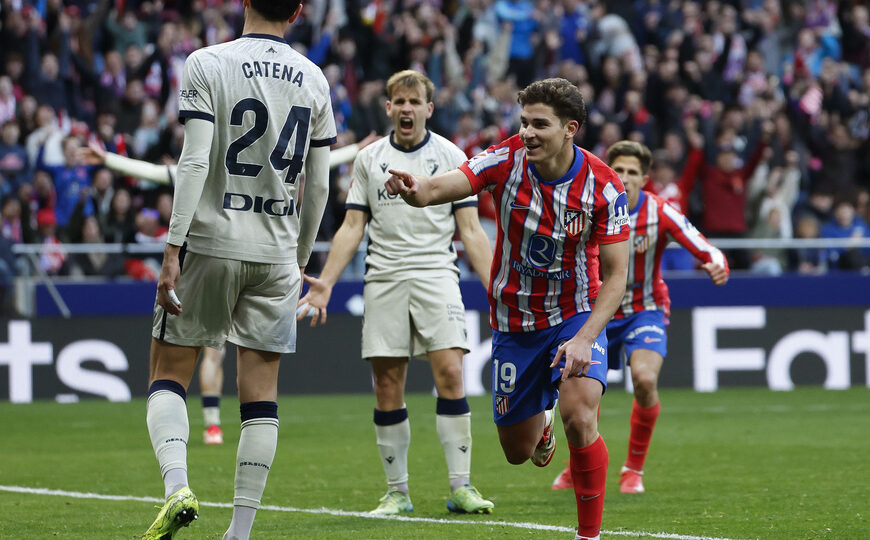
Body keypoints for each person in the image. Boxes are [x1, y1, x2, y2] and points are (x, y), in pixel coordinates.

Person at [385, 78, 631, 540]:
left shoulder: (604, 185)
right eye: (524, 123)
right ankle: (540, 429)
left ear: (570, 128)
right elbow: (447, 185)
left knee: (581, 417)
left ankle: (589, 534)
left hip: (576, 313)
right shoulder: (507, 157)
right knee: (517, 452)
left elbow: (617, 276)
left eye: (541, 124)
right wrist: (416, 189)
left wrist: (584, 338)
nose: (529, 133)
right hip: (515, 321)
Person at [142, 1, 335, 539]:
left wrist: (172, 249)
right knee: (261, 393)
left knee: (168, 372)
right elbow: (317, 186)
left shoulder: (207, 62)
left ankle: (177, 486)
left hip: (210, 239)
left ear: (245, 1)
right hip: (277, 252)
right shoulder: (315, 78)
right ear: (297, 11)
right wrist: (299, 259)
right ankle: (240, 531)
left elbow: (195, 161)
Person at [79, 129, 380, 449]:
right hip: (268, 259)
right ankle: (239, 446)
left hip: (216, 256)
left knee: (211, 353)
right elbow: (318, 168)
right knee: (254, 369)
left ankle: (212, 426)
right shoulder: (271, 162)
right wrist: (355, 150)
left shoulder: (207, 159)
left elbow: (158, 173)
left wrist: (109, 159)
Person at [297, 69, 495, 516]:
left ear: (429, 108)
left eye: (414, 101)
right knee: (388, 385)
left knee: (451, 374)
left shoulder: (450, 155)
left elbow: (471, 231)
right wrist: (326, 280)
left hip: (436, 274)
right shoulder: (369, 159)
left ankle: (461, 486)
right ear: (387, 108)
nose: (406, 108)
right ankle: (397, 492)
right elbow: (352, 227)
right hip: (383, 277)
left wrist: (494, 286)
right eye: (398, 101)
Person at [550, 141, 729, 494]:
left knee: (645, 380)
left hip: (644, 310)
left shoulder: (659, 211)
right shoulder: (589, 206)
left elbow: (700, 242)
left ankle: (633, 470)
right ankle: (576, 467)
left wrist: (717, 262)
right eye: (618, 170)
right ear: (608, 173)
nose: (625, 178)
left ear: (644, 179)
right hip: (593, 313)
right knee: (582, 395)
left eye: (633, 172)